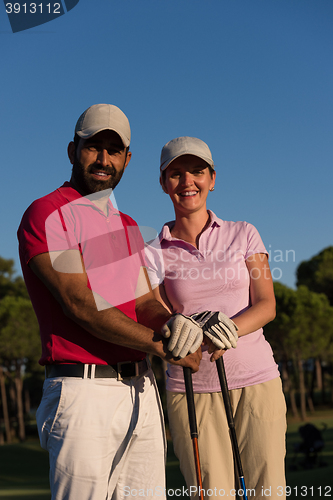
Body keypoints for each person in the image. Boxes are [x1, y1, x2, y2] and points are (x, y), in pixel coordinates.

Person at [17, 106, 202, 500]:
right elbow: (78, 302)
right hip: (82, 394)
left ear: (127, 160)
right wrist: (160, 346)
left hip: (141, 390)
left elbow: (145, 302)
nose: (104, 159)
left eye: (114, 150)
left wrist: (175, 327)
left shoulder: (129, 226)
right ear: (72, 150)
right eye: (93, 147)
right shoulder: (47, 214)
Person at [145, 136, 287, 500]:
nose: (187, 181)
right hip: (191, 391)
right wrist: (173, 325)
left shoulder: (244, 233)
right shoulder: (153, 251)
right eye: (175, 174)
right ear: (163, 183)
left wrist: (230, 328)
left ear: (212, 178)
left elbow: (266, 303)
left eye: (197, 171)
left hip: (256, 382)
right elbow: (155, 312)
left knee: (267, 494)